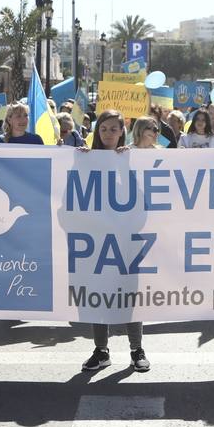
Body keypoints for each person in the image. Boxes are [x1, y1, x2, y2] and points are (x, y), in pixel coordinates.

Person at [76, 110, 150, 372]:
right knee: (100, 294)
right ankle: (101, 350)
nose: (108, 133)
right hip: (96, 239)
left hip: (128, 239)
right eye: (103, 129)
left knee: (129, 295)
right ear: (97, 132)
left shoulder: (130, 159)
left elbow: (141, 196)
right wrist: (79, 160)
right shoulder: (85, 158)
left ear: (122, 132)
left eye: (113, 129)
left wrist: (128, 164)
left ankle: (136, 349)